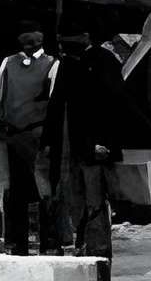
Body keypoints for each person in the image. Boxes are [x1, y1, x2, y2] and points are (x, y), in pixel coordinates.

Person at [44, 24, 122, 262]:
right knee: (72, 197)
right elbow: (56, 104)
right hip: (71, 146)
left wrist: (104, 142)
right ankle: (78, 244)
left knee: (95, 200)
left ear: (84, 35)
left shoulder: (104, 60)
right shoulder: (68, 63)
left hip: (96, 147)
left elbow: (114, 105)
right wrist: (49, 140)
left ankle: (98, 251)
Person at [0, 21, 58, 256]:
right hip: (13, 136)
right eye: (24, 38)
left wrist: (52, 137)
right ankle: (16, 242)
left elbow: (55, 103)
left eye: (33, 38)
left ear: (41, 38)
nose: (28, 42)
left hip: (38, 135)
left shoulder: (52, 64)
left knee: (45, 191)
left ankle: (49, 242)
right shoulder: (9, 63)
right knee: (14, 192)